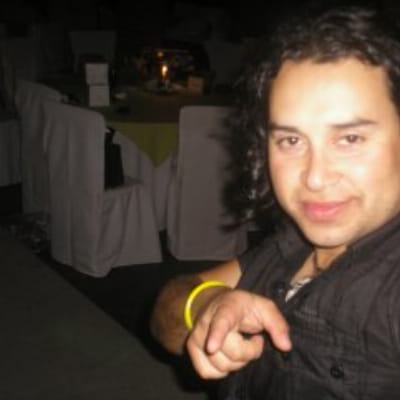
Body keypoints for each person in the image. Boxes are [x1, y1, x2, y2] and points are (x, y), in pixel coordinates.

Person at [150, 5, 400, 399]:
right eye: (291, 140)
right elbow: (168, 308)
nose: (314, 177)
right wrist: (207, 305)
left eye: (350, 139)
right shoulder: (296, 242)